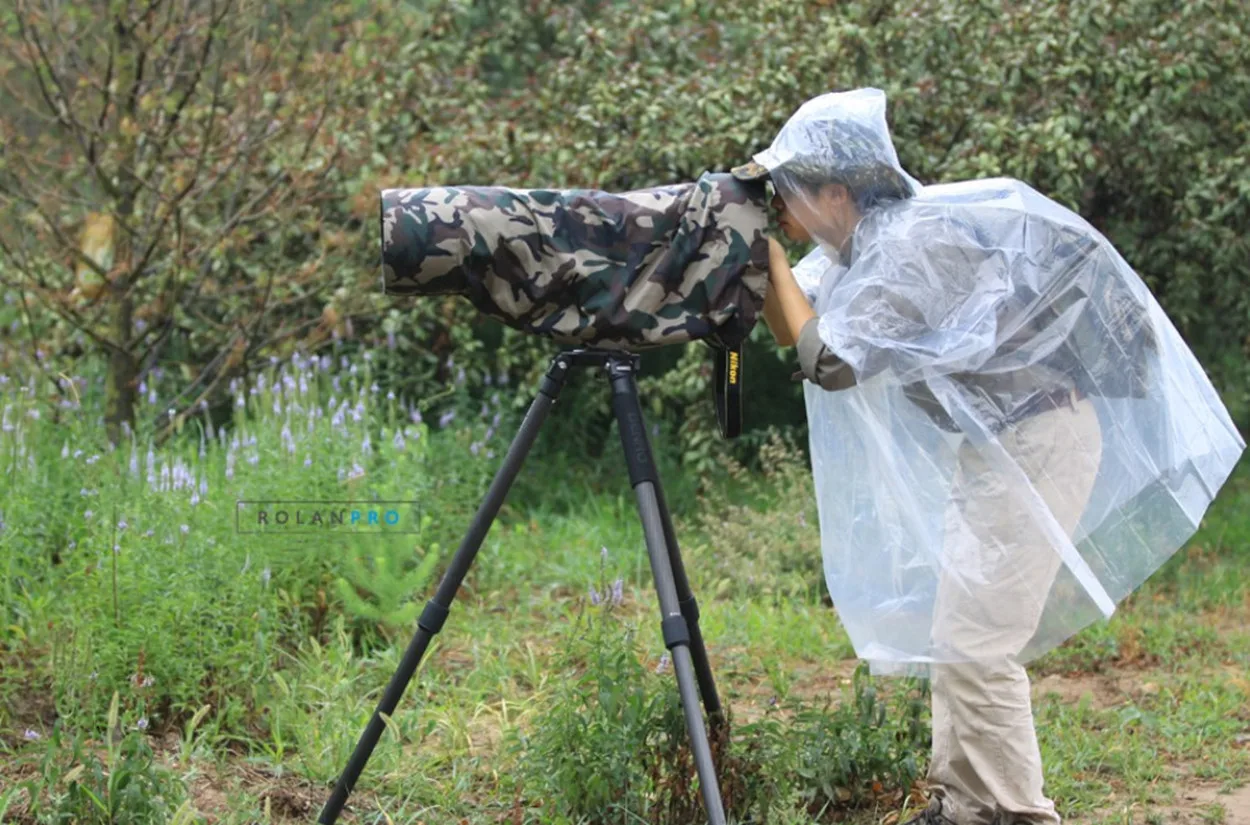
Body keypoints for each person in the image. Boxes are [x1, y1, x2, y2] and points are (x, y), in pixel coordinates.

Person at [730, 89, 1110, 825]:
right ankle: (965, 804)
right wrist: (751, 253)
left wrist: (766, 251)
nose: (784, 211)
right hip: (1002, 442)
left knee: (978, 640)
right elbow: (792, 328)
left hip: (1041, 436)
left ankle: (1019, 812)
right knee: (956, 633)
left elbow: (832, 360)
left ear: (836, 193)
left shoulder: (910, 246)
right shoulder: (856, 251)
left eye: (790, 196)